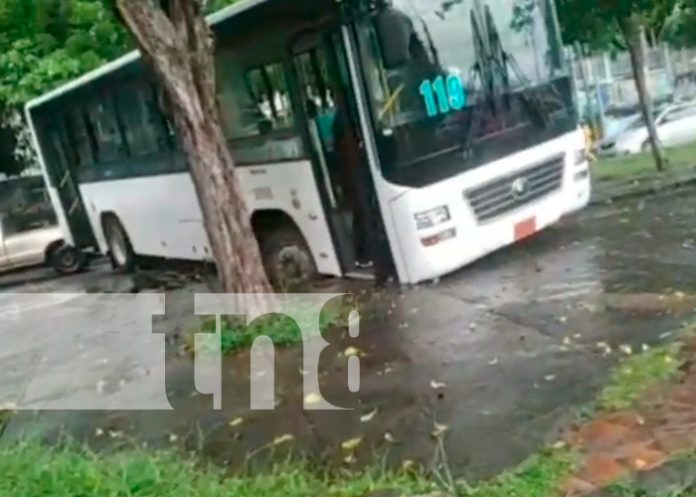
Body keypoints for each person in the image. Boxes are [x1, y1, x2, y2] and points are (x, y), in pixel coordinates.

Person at [331, 92, 373, 269]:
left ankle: (363, 253)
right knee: (362, 213)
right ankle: (363, 254)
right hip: (353, 175)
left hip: (351, 176)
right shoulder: (346, 121)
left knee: (361, 213)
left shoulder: (342, 120)